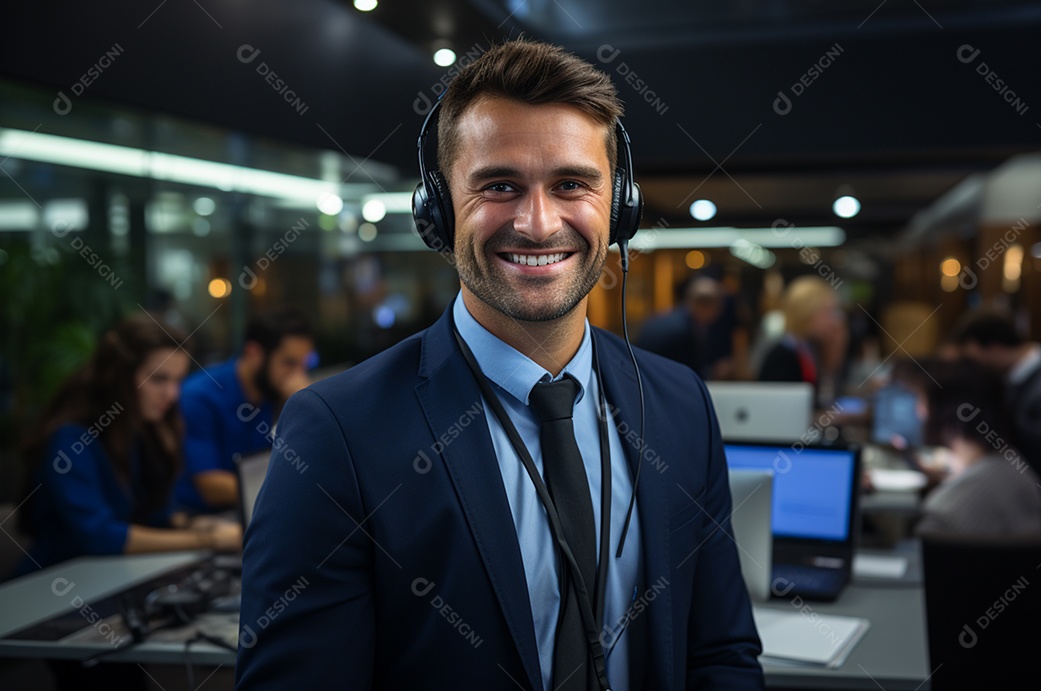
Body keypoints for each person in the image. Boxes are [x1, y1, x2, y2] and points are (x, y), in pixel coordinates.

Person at [237, 39, 763, 691]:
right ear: (438, 207)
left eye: (571, 183)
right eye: (499, 185)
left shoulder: (679, 401)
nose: (538, 223)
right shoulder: (337, 432)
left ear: (618, 204)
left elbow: (720, 654)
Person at [16, 314, 241, 578]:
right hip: (54, 589)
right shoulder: (71, 440)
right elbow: (101, 535)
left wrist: (199, 525)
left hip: (111, 579)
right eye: (159, 379)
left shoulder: (138, 430)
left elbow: (153, 516)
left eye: (177, 381)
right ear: (121, 376)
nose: (172, 394)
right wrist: (209, 540)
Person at [172, 306, 314, 513]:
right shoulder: (200, 396)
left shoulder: (274, 394)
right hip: (197, 518)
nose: (299, 377)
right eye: (289, 363)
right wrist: (289, 491)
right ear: (254, 353)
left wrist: (299, 409)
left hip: (249, 510)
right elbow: (210, 485)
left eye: (305, 364)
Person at [950, 310, 1041, 499]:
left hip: (1038, 497)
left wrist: (1000, 422)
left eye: (974, 360)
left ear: (995, 349)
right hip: (1007, 486)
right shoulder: (1008, 379)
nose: (974, 368)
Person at [914, 359, 1041, 535]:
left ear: (945, 410)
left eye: (923, 402)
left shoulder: (942, 509)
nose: (919, 411)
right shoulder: (1018, 468)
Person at [636, 268, 743, 380]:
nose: (720, 312)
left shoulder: (674, 319)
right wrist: (714, 372)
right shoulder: (683, 332)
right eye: (720, 306)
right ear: (707, 305)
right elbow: (688, 374)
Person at [756, 275, 844, 396]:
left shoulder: (808, 349)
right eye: (827, 312)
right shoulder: (782, 357)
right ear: (806, 311)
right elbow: (788, 410)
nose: (833, 321)